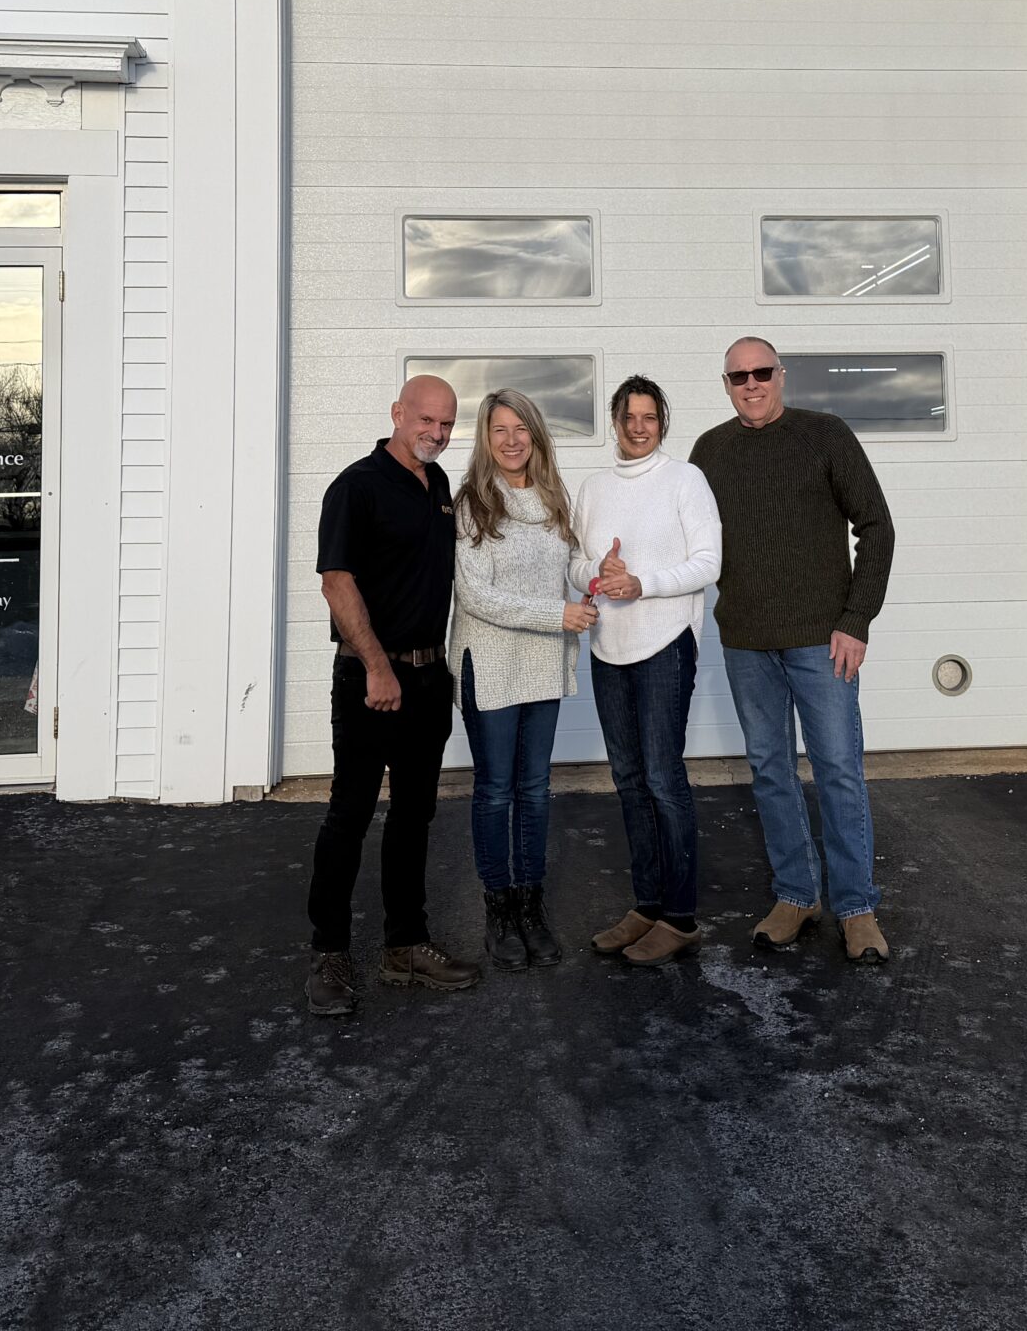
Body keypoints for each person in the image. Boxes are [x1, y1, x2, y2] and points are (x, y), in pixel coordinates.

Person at [689, 337, 897, 965]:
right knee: (770, 770)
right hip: (747, 641)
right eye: (738, 376)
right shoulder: (710, 451)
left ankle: (856, 908)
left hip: (821, 640)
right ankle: (796, 896)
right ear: (726, 385)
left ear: (780, 375)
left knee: (838, 769)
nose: (751, 384)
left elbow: (877, 526)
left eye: (761, 372)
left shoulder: (825, 435)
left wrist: (856, 620)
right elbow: (687, 537)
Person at [303, 374, 483, 1017]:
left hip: (429, 679)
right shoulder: (356, 486)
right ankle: (329, 953)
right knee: (349, 815)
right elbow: (336, 582)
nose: (436, 432)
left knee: (414, 816)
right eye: (425, 419)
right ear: (397, 414)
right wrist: (379, 667)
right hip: (369, 678)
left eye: (447, 423)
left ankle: (405, 945)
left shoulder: (438, 486)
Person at [573, 374, 722, 966]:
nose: (639, 428)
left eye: (650, 418)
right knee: (629, 780)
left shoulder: (686, 480)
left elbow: (708, 563)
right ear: (615, 422)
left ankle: (679, 919)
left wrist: (643, 583)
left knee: (663, 778)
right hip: (608, 648)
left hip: (665, 644)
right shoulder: (593, 488)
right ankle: (647, 905)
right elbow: (573, 563)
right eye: (629, 417)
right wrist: (596, 571)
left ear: (662, 422)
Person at [450, 387, 596, 970]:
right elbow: (476, 596)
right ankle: (499, 910)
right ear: (486, 440)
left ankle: (531, 906)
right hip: (489, 662)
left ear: (536, 435)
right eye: (499, 430)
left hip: (542, 664)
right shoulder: (472, 504)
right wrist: (557, 616)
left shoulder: (556, 500)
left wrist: (597, 575)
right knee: (495, 790)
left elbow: (572, 567)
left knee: (534, 789)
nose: (511, 441)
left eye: (521, 429)